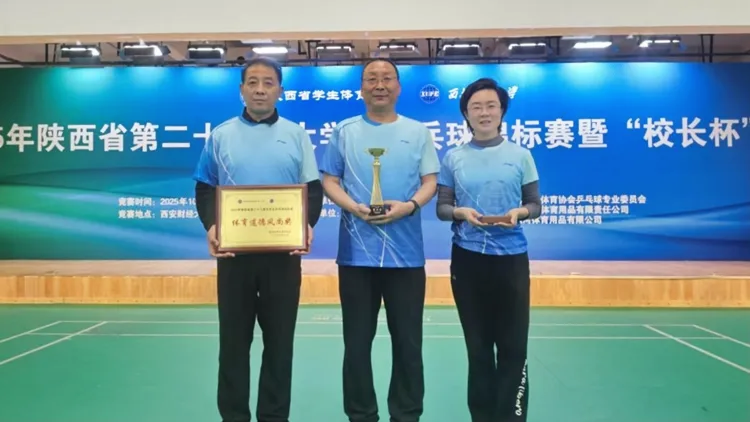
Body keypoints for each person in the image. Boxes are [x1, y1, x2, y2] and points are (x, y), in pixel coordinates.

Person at [192, 57, 323, 422]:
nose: (260, 89)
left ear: (280, 90)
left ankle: (274, 416)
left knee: (280, 346)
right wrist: (212, 225)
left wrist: (306, 224)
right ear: (242, 90)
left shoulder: (296, 134)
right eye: (253, 82)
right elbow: (205, 187)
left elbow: (312, 189)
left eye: (268, 82)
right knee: (233, 346)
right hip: (234, 257)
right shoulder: (221, 135)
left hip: (283, 257)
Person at [318, 58, 440, 422]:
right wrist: (353, 207)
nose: (379, 84)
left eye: (387, 78)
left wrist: (409, 206)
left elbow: (430, 182)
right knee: (356, 345)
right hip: (356, 255)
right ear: (362, 88)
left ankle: (406, 414)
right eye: (371, 78)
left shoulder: (418, 132)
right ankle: (361, 414)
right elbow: (329, 181)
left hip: (406, 256)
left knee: (409, 344)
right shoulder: (344, 131)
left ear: (398, 87)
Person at [436, 77, 542, 422]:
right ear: (466, 114)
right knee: (478, 349)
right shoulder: (453, 158)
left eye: (491, 106)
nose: (484, 112)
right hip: (467, 262)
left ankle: (512, 417)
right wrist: (460, 213)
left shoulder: (521, 155)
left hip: (512, 261)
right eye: (476, 107)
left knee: (513, 348)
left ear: (502, 111)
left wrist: (519, 213)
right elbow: (442, 208)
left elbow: (535, 204)